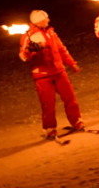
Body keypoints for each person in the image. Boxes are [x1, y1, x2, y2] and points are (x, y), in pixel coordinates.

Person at [20, 10, 85, 139]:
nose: (48, 20)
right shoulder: (28, 36)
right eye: (46, 18)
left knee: (70, 97)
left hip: (59, 72)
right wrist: (30, 51)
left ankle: (76, 121)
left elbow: (61, 49)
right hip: (43, 75)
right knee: (48, 103)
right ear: (39, 21)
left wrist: (71, 64)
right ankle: (49, 128)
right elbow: (23, 56)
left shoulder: (51, 33)